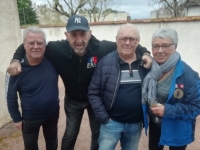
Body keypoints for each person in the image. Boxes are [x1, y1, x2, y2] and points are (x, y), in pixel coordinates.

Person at [7, 15, 152, 150]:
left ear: (90, 33)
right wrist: (15, 60)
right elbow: (29, 44)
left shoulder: (101, 48)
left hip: (94, 99)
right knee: (70, 134)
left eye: (82, 34)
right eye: (73, 35)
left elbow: (128, 43)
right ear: (66, 35)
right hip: (72, 101)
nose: (78, 40)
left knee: (97, 133)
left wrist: (145, 53)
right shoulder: (56, 49)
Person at [88, 23, 149, 150]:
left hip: (135, 124)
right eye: (123, 38)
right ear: (117, 40)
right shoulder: (105, 62)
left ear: (138, 41)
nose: (127, 43)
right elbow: (93, 92)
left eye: (132, 39)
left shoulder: (145, 64)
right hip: (111, 123)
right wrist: (104, 118)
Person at [142, 27, 200, 150]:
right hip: (155, 125)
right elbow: (131, 47)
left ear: (175, 46)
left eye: (166, 46)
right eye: (156, 46)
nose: (160, 51)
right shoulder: (151, 68)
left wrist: (167, 110)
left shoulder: (188, 75)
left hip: (177, 128)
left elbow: (196, 106)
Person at [5, 26, 59, 150]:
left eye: (40, 43)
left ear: (45, 45)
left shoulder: (53, 60)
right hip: (30, 119)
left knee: (52, 142)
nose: (36, 46)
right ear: (24, 45)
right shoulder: (16, 69)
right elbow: (10, 96)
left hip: (52, 113)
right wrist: (16, 118)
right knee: (30, 146)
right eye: (31, 43)